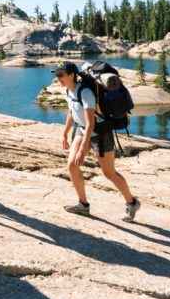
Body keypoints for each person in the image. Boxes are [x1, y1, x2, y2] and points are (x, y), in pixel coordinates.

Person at [54, 61, 140, 221]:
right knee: (72, 165)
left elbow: (91, 123)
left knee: (109, 173)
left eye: (61, 75)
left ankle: (132, 202)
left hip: (100, 132)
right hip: (81, 129)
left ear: (71, 75)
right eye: (57, 75)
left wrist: (81, 150)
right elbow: (72, 111)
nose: (58, 78)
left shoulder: (85, 93)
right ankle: (83, 205)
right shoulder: (68, 91)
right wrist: (65, 133)